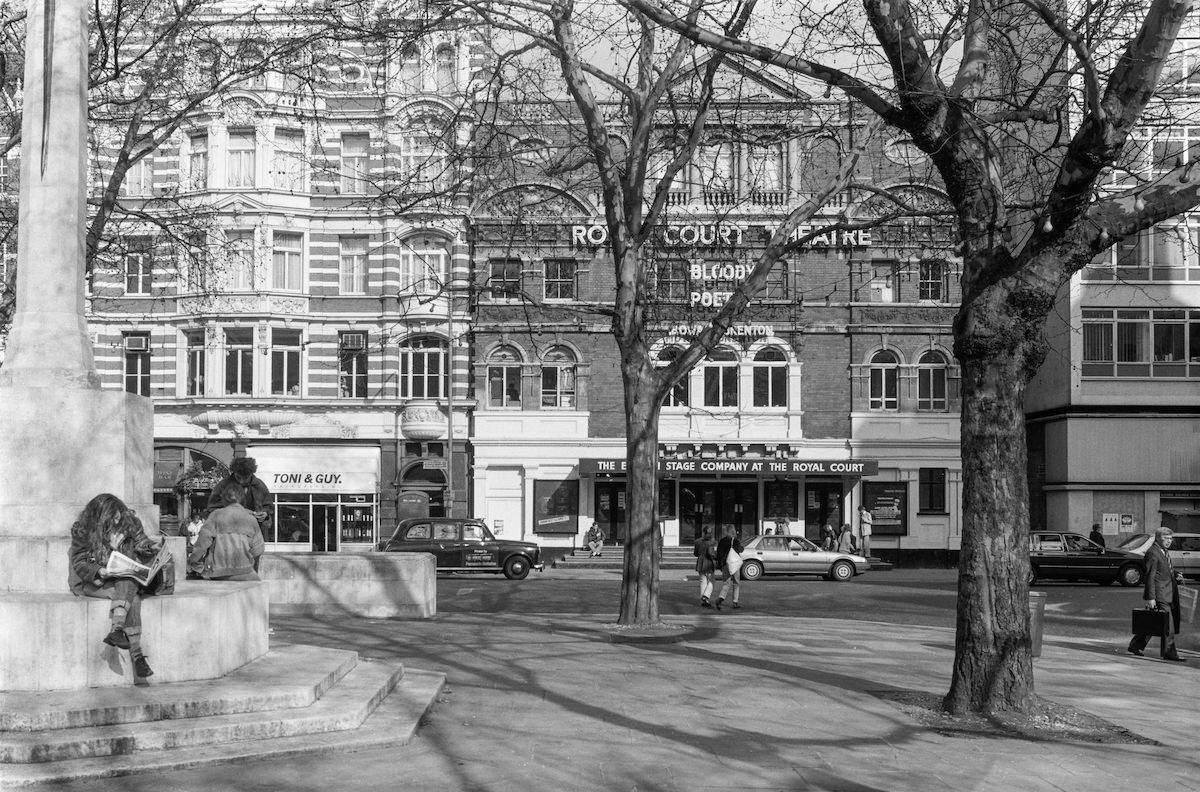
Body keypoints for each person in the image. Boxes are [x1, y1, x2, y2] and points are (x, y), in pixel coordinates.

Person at [68, 493, 161, 678]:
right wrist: (100, 570)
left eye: (119, 514)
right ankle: (137, 656)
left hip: (123, 578)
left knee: (128, 584)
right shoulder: (83, 530)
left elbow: (142, 542)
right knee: (132, 596)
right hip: (98, 581)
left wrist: (151, 548)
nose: (118, 519)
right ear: (100, 517)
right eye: (113, 517)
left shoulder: (129, 522)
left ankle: (117, 630)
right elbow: (79, 562)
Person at [1128, 527, 1186, 662]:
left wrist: (1175, 574)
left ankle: (1135, 645)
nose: (1169, 542)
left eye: (1170, 539)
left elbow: (1164, 569)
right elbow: (1150, 576)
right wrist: (1151, 598)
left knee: (1153, 621)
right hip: (1160, 594)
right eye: (1166, 539)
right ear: (1158, 538)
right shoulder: (1152, 553)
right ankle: (1169, 653)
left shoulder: (1163, 551)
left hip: (1168, 592)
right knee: (1167, 624)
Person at [189, 483, 265, 581]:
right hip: (245, 573)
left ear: (224, 499)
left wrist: (193, 563)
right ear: (242, 499)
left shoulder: (215, 516)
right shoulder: (251, 519)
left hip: (218, 574)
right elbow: (258, 550)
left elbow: (201, 544)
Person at [208, 457, 273, 537]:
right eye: (238, 477)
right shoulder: (223, 486)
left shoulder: (259, 486)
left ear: (251, 474)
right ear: (234, 472)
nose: (241, 481)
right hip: (228, 533)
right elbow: (212, 508)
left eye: (245, 478)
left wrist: (265, 514)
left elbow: (268, 506)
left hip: (253, 532)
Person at [714, 524, 744, 611]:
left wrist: (720, 564)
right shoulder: (735, 541)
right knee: (736, 583)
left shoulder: (722, 541)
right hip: (733, 565)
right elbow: (740, 549)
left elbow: (719, 553)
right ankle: (735, 602)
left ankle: (721, 598)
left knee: (726, 583)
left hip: (724, 564)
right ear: (733, 531)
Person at [693, 526, 718, 608]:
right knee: (712, 581)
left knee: (702, 582)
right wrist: (716, 556)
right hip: (709, 562)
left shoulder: (697, 542)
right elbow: (712, 553)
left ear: (703, 532)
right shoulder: (712, 542)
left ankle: (703, 601)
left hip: (700, 562)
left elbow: (695, 553)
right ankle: (706, 596)